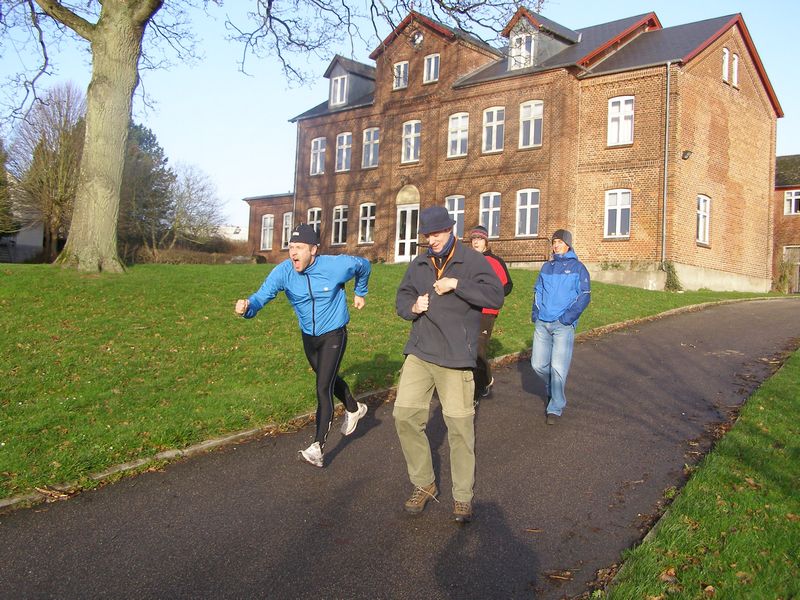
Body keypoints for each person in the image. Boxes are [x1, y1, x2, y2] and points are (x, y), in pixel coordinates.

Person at [393, 206, 504, 523]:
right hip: (421, 351)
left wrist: (457, 284)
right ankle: (424, 483)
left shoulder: (472, 261)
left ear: (451, 229)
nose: (433, 239)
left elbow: (495, 296)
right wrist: (413, 306)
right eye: (428, 234)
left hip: (456, 356)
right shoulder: (419, 262)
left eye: (437, 233)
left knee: (459, 428)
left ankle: (462, 497)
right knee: (404, 416)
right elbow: (402, 297)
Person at [235, 223, 371, 467]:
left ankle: (317, 447)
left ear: (314, 250)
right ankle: (354, 408)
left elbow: (364, 265)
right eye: (291, 247)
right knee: (326, 378)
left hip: (334, 333)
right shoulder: (283, 272)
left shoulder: (335, 266)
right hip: (309, 337)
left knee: (322, 388)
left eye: (299, 247)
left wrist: (360, 292)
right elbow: (260, 298)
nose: (293, 253)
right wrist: (247, 308)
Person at [530, 229, 591, 425]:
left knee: (558, 366)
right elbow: (537, 290)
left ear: (568, 244)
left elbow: (584, 295)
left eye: (559, 242)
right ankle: (553, 387)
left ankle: (555, 406)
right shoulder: (546, 267)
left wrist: (567, 318)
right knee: (537, 364)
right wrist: (536, 313)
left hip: (562, 325)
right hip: (543, 323)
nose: (555, 245)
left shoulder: (578, 268)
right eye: (553, 242)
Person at [468, 225, 513, 400]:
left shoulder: (495, 261)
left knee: (478, 350)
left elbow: (507, 285)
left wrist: (492, 297)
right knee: (467, 349)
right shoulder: (467, 260)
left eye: (479, 239)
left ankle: (477, 390)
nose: (476, 242)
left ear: (486, 241)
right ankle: (482, 381)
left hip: (486, 311)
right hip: (468, 310)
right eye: (473, 239)